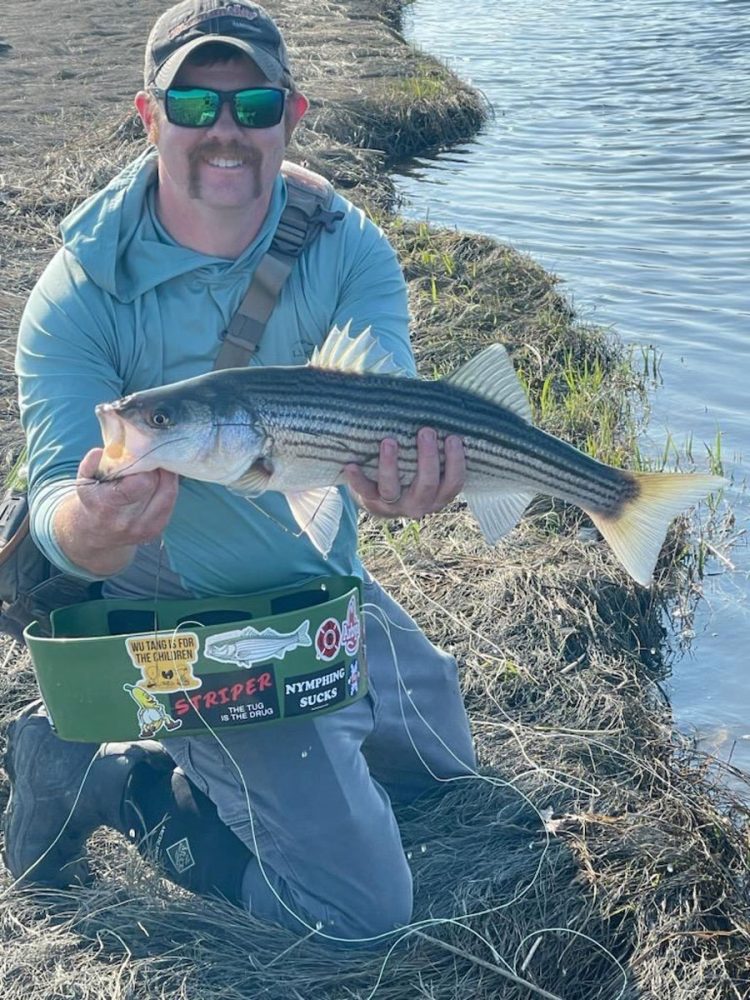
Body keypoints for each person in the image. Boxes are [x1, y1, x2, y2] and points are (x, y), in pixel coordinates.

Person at [4, 0, 476, 940]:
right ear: (151, 116)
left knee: (439, 771)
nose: (226, 129)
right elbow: (57, 486)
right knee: (360, 914)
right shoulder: (78, 291)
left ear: (292, 118)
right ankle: (122, 781)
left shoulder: (346, 244)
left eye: (254, 106)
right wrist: (88, 528)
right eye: (195, 103)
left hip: (312, 579)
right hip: (180, 606)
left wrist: (405, 479)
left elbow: (387, 397)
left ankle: (267, 750)